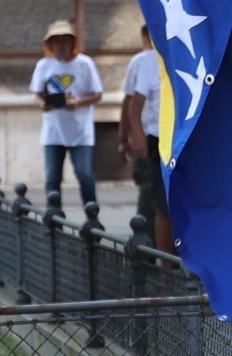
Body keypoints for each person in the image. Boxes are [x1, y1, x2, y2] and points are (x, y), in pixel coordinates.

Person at [29, 20, 104, 210]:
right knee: (53, 176)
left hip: (80, 130)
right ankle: (54, 217)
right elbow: (37, 94)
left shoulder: (85, 63)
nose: (60, 45)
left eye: (64, 40)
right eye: (56, 41)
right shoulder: (44, 65)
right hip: (54, 130)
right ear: (50, 44)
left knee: (84, 173)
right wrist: (44, 104)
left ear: (72, 42)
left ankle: (91, 211)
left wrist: (78, 103)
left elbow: (97, 94)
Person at [118, 25, 172, 252]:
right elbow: (130, 101)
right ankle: (149, 250)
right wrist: (126, 137)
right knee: (152, 198)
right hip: (153, 139)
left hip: (177, 138)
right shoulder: (143, 62)